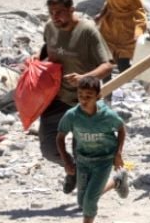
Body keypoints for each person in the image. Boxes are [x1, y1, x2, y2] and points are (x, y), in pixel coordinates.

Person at [36, 0, 114, 194]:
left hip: (84, 101)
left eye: (60, 12)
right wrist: (35, 63)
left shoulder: (87, 31)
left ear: (71, 10)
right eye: (51, 12)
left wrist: (85, 78)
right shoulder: (50, 27)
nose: (55, 17)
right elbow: (47, 51)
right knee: (49, 149)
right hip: (56, 97)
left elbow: (107, 66)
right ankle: (73, 170)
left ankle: (91, 185)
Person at [56, 77, 129, 223]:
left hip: (104, 161)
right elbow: (60, 137)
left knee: (89, 202)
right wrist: (66, 161)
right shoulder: (72, 115)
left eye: (89, 96)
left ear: (98, 96)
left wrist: (118, 154)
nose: (84, 100)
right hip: (83, 161)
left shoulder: (107, 115)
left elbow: (121, 128)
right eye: (80, 95)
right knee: (82, 202)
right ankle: (117, 181)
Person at [96, 0, 147, 73]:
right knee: (106, 64)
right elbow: (109, 1)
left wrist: (139, 31)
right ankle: (107, 86)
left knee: (123, 65)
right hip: (109, 28)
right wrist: (101, 15)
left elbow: (139, 10)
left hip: (125, 30)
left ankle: (128, 82)